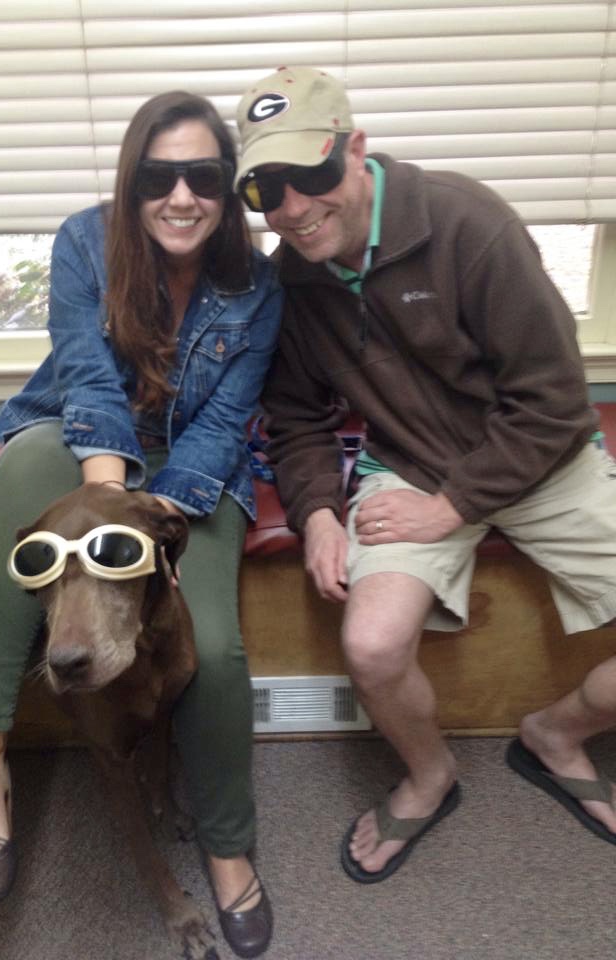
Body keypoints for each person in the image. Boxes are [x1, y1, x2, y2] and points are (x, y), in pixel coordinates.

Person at [234, 65, 616, 882]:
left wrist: (456, 506)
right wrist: (320, 515)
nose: (293, 210)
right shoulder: (293, 277)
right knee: (371, 645)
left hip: (537, 457)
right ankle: (430, 773)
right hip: (407, 462)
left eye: (309, 175)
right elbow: (296, 417)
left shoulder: (469, 224)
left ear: (356, 149)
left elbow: (552, 402)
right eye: (267, 190)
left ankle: (559, 732)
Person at [0, 90, 282, 957]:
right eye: (158, 176)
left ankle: (226, 840)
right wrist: (109, 516)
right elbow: (88, 381)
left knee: (215, 646)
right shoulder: (83, 242)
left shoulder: (258, 284)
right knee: (16, 475)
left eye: (202, 176)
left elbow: (224, 418)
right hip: (82, 432)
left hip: (193, 468)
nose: (181, 196)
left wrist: (156, 518)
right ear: (132, 184)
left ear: (226, 184)